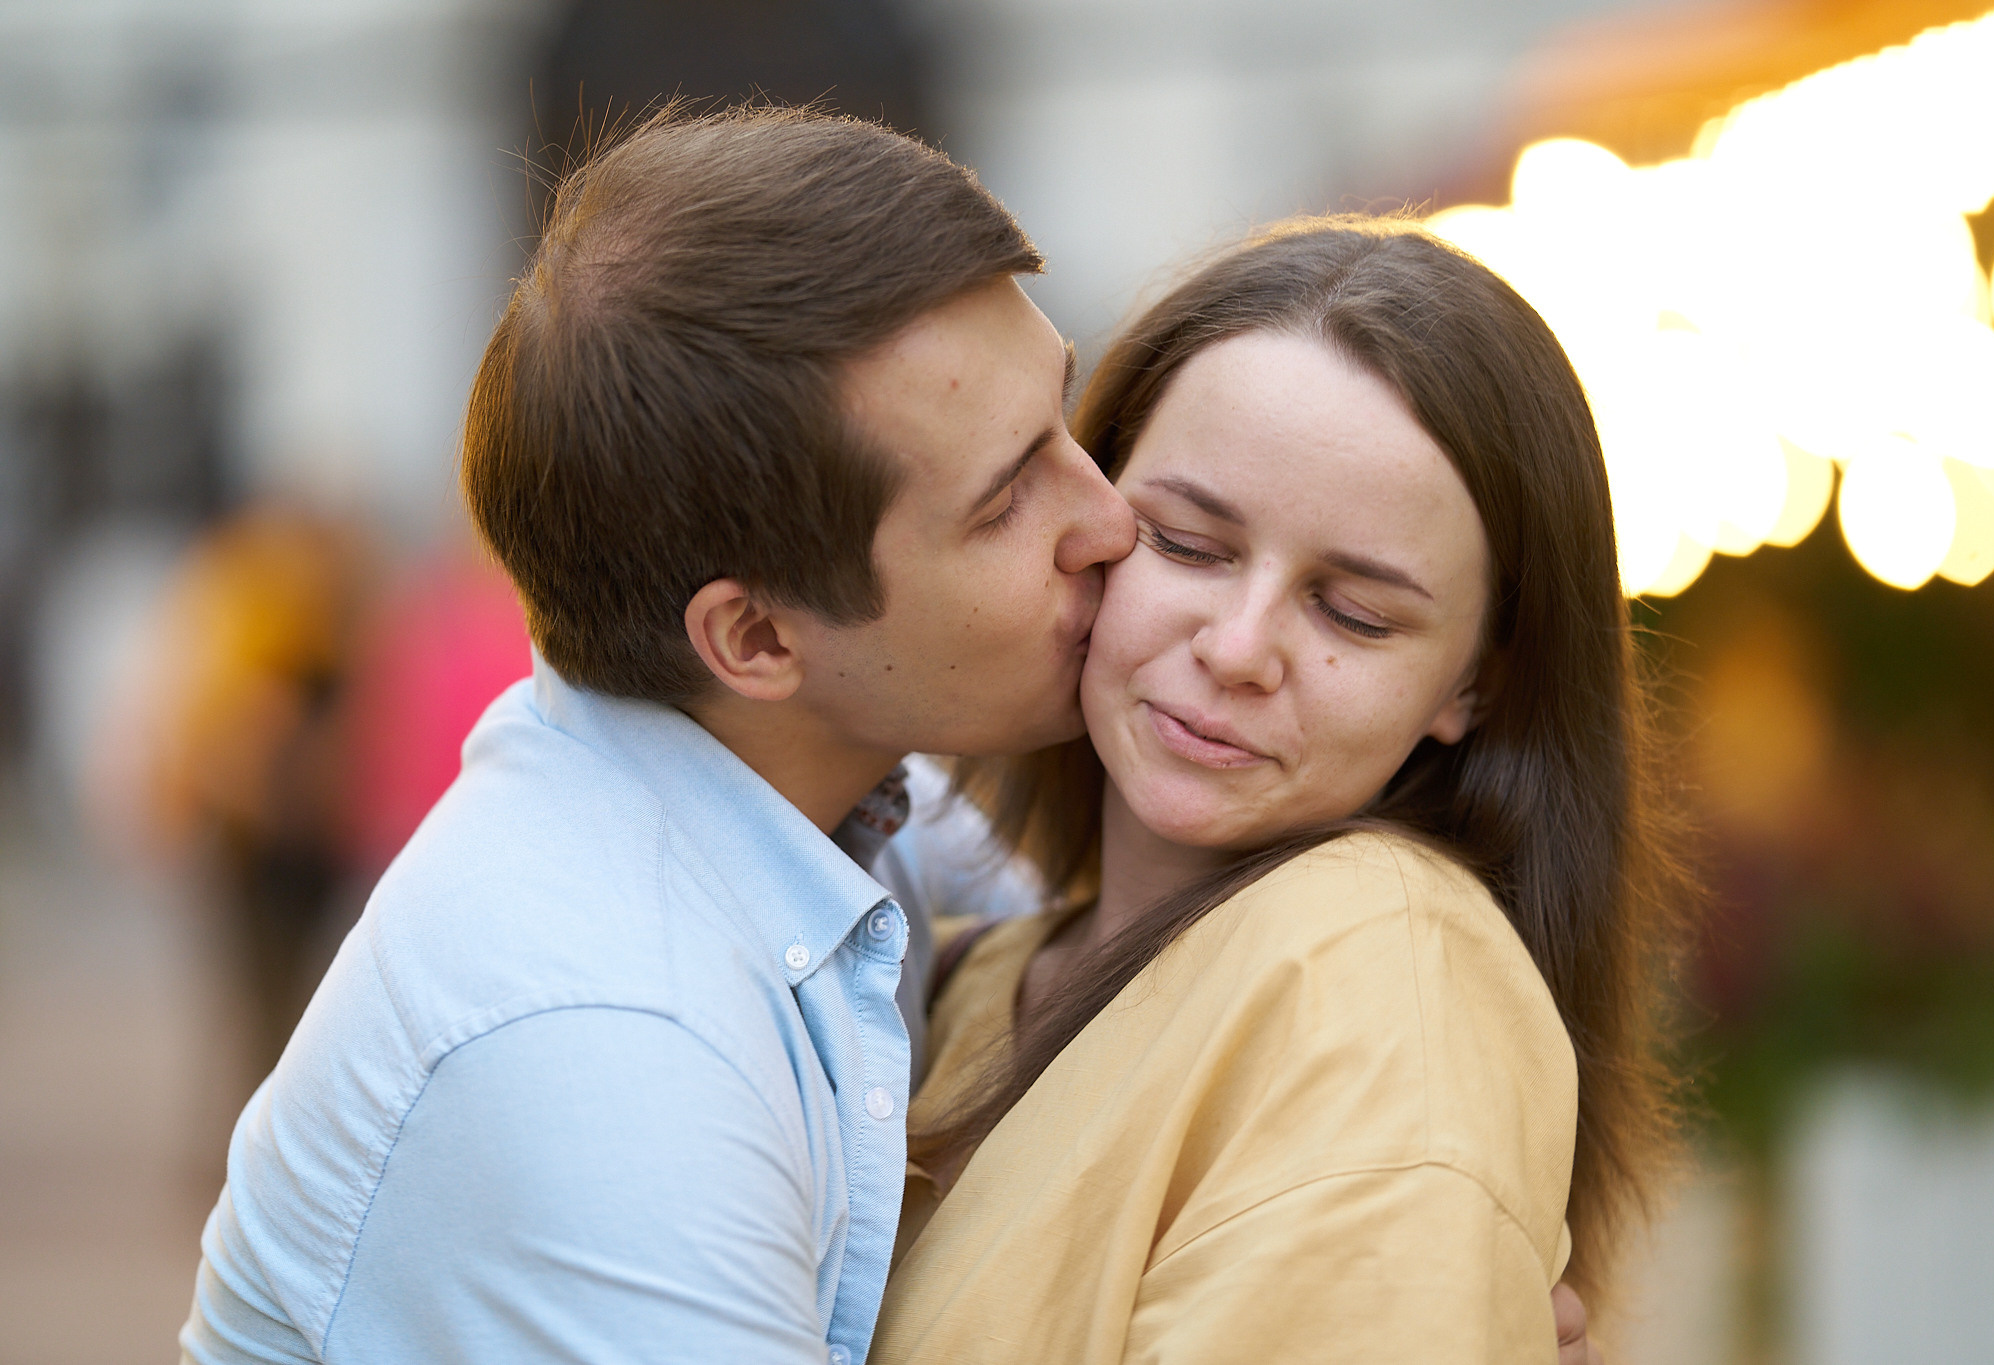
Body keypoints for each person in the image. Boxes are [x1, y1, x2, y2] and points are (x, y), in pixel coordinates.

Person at [178, 107, 1134, 1365]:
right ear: (756, 639)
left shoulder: (811, 790)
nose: (1111, 521)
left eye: (1065, 414)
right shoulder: (609, 1046)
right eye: (1006, 502)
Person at [873, 219, 1688, 1364]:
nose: (1238, 647)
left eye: (1353, 613)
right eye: (1185, 543)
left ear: (1474, 684)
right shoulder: (956, 972)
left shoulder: (1381, 974)